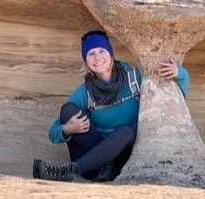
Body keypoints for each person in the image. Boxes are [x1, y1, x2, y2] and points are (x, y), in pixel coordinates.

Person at [33, 30, 189, 182]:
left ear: (111, 55)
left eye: (102, 51)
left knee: (125, 132)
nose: (97, 57)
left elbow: (177, 98)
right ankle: (100, 167)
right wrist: (67, 129)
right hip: (95, 164)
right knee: (68, 110)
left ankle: (71, 171)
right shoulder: (84, 93)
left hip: (124, 158)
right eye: (91, 54)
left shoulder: (134, 78)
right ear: (86, 62)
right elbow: (53, 133)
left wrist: (179, 72)